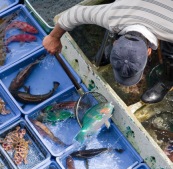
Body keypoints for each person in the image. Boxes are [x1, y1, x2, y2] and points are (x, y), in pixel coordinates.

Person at [43, 0, 173, 104]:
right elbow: (74, 13)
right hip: (131, 7)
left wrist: (54, 37)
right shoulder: (112, 15)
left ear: (149, 51)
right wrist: (53, 37)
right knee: (114, 26)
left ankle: (167, 80)